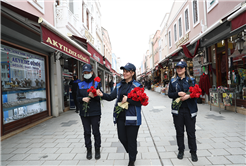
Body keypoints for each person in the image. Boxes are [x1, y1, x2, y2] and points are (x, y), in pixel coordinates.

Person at [96, 63, 143, 166]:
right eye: (124, 71)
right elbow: (111, 97)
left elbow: (141, 102)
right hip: (120, 116)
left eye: (127, 71)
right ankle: (133, 152)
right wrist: (102, 94)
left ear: (132, 73)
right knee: (121, 137)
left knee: (131, 140)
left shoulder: (138, 86)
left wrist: (129, 100)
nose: (125, 73)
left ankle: (131, 160)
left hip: (133, 117)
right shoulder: (119, 85)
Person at [168, 61, 198, 162]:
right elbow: (169, 94)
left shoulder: (191, 80)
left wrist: (188, 96)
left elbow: (197, 93)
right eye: (177, 68)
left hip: (190, 110)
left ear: (185, 69)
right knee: (179, 132)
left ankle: (193, 152)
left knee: (191, 132)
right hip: (178, 110)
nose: (179, 69)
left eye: (181, 67)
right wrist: (178, 93)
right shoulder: (172, 81)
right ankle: (181, 150)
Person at [76, 64, 102, 160]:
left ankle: (97, 149)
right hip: (84, 113)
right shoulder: (79, 84)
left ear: (92, 72)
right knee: (87, 132)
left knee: (96, 131)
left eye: (88, 72)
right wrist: (82, 99)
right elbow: (77, 98)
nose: (87, 74)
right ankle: (89, 149)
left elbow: (100, 98)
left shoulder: (96, 84)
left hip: (95, 112)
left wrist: (94, 96)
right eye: (85, 73)